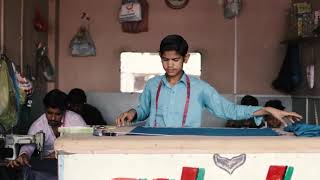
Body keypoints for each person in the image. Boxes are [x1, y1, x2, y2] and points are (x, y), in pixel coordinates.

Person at [116, 34, 302, 128]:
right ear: (160, 58)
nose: (170, 65)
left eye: (175, 60)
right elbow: (144, 110)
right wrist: (132, 112)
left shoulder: (200, 88)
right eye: (166, 60)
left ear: (185, 58)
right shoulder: (152, 84)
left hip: (186, 147)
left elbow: (230, 110)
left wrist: (268, 110)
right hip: (152, 144)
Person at [7, 89, 87, 180]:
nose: (53, 118)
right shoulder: (38, 126)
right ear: (45, 109)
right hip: (49, 167)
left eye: (58, 114)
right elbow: (28, 146)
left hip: (73, 162)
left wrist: (61, 152)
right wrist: (24, 155)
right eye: (49, 113)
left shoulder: (76, 120)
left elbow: (87, 143)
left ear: (64, 111)